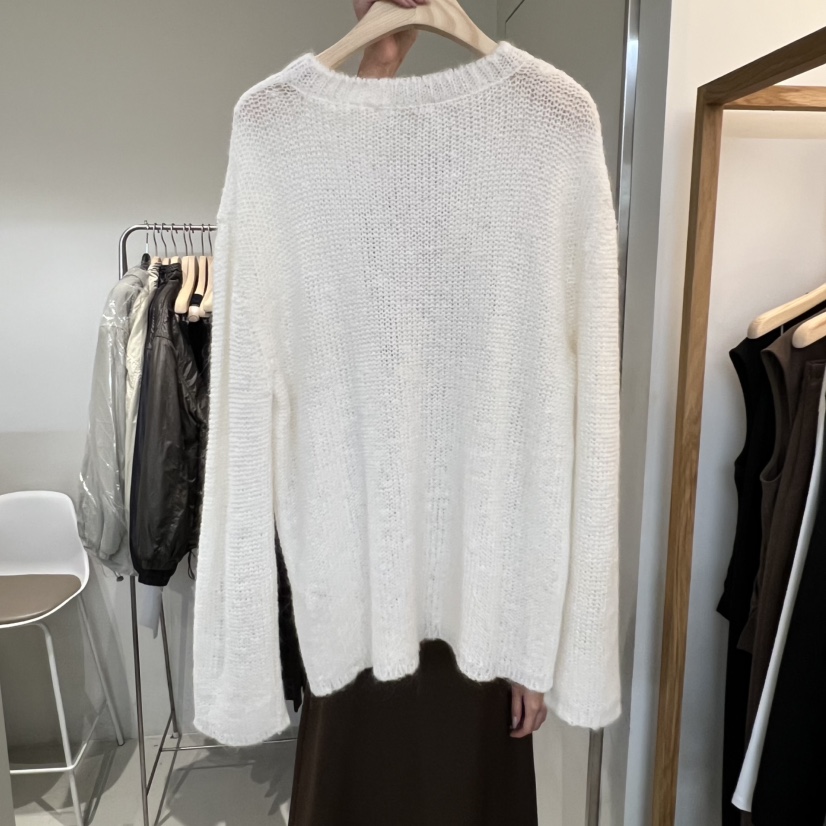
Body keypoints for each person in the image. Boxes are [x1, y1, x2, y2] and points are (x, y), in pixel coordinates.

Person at [286, 4, 547, 824]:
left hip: (474, 618)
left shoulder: (502, 294)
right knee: (351, 787)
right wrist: (378, 63)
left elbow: (527, 470)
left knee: (464, 794)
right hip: (358, 603)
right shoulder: (338, 280)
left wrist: (530, 649)